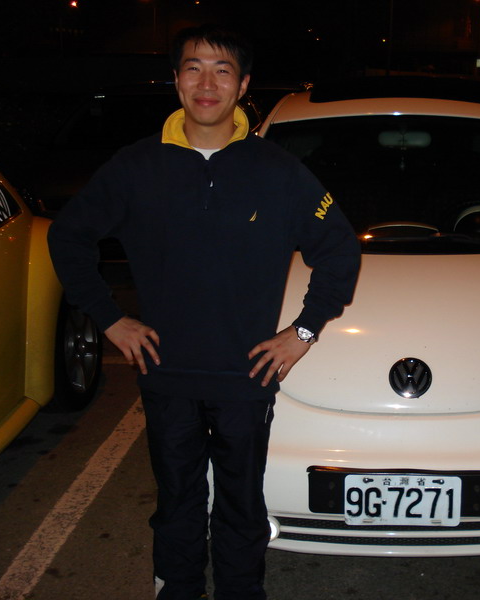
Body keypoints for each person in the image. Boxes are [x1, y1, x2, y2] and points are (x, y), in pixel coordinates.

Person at [47, 24, 360, 600]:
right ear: (176, 80)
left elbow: (339, 250)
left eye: (222, 70)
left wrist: (303, 331)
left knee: (241, 505)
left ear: (243, 85)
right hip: (167, 373)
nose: (207, 83)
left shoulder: (277, 171)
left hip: (246, 376)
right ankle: (177, 588)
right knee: (177, 502)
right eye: (194, 68)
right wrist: (109, 318)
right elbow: (68, 236)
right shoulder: (136, 166)